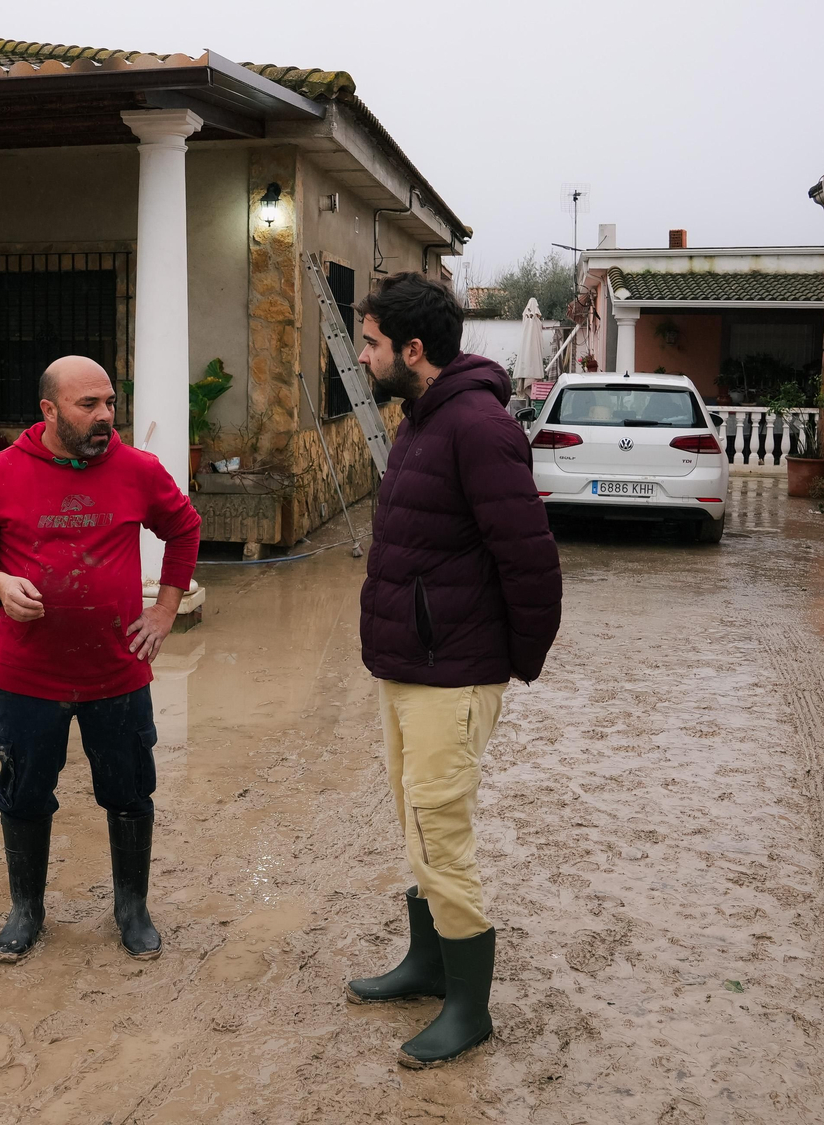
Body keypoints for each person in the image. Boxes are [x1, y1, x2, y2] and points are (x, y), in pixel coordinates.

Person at [343, 273, 563, 1068]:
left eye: (370, 342)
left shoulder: (477, 426)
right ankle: (429, 962)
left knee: (442, 827)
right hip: (408, 665)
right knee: (415, 818)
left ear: (412, 349)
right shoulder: (420, 421)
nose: (361, 356)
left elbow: (531, 562)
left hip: (453, 672)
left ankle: (468, 1005)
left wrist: (508, 665)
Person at [0, 355, 202, 963]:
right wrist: (0, 586)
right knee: (25, 794)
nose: (105, 417)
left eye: (110, 403)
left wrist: (165, 611)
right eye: (89, 406)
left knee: (130, 793)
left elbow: (184, 528)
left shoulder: (137, 470)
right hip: (29, 675)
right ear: (49, 410)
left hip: (116, 670)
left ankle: (131, 909)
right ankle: (27, 910)